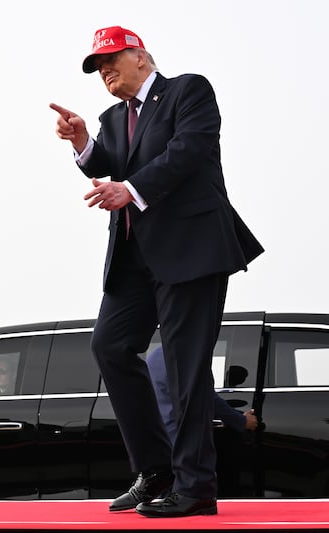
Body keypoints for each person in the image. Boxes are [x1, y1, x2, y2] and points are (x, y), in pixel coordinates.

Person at [50, 26, 263, 518]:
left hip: (191, 249)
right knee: (109, 346)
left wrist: (131, 190)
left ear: (142, 57)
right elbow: (106, 163)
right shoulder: (111, 116)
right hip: (133, 256)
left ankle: (195, 489)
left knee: (187, 370)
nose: (104, 70)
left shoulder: (187, 90)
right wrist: (83, 142)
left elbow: (188, 151)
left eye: (112, 59)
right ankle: (156, 471)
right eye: (97, 66)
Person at [145, 346, 258, 443]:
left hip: (157, 440)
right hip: (183, 443)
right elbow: (206, 399)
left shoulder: (154, 356)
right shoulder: (189, 356)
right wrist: (241, 421)